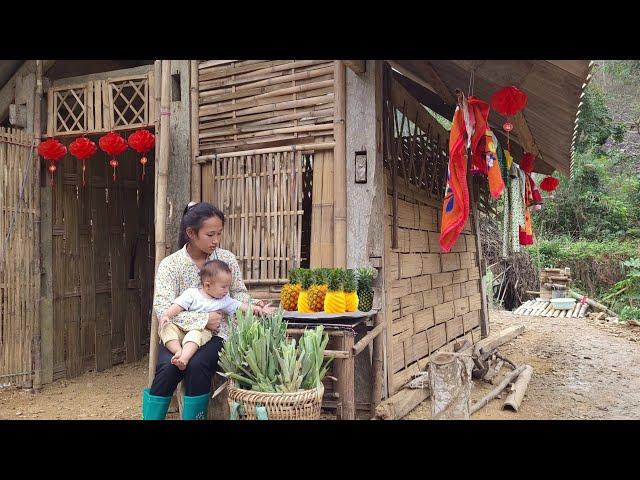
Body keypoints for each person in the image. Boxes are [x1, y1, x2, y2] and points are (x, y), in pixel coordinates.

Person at [142, 202, 269, 420]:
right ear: (191, 233)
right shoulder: (170, 265)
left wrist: (256, 306)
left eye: (219, 233)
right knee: (167, 368)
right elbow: (163, 307)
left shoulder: (226, 259)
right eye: (210, 234)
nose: (216, 240)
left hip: (219, 333)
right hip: (178, 334)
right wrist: (203, 319)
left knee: (197, 365)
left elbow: (238, 293)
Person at [159, 259, 275, 371]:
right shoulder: (191, 294)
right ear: (207, 286)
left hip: (200, 330)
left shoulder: (223, 300)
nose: (226, 290)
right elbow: (178, 306)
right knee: (167, 328)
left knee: (194, 335)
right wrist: (166, 315)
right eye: (223, 287)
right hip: (181, 328)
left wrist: (257, 308)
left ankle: (184, 358)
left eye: (228, 286)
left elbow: (240, 306)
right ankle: (177, 351)